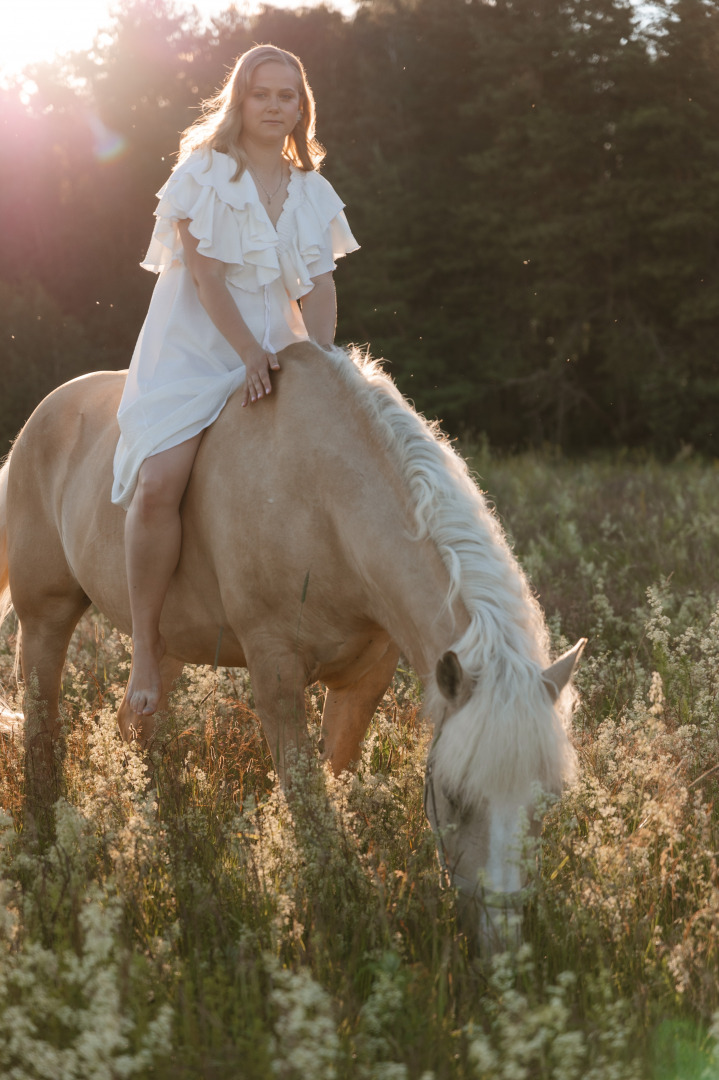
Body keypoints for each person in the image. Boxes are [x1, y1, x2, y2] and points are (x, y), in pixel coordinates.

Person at [111, 44, 359, 718]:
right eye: (262, 94)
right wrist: (247, 355)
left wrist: (322, 364)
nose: (276, 106)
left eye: (288, 96)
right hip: (195, 348)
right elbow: (207, 279)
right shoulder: (202, 176)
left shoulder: (311, 190)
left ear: (300, 107)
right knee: (160, 482)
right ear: (239, 101)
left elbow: (322, 286)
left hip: (278, 348)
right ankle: (143, 654)